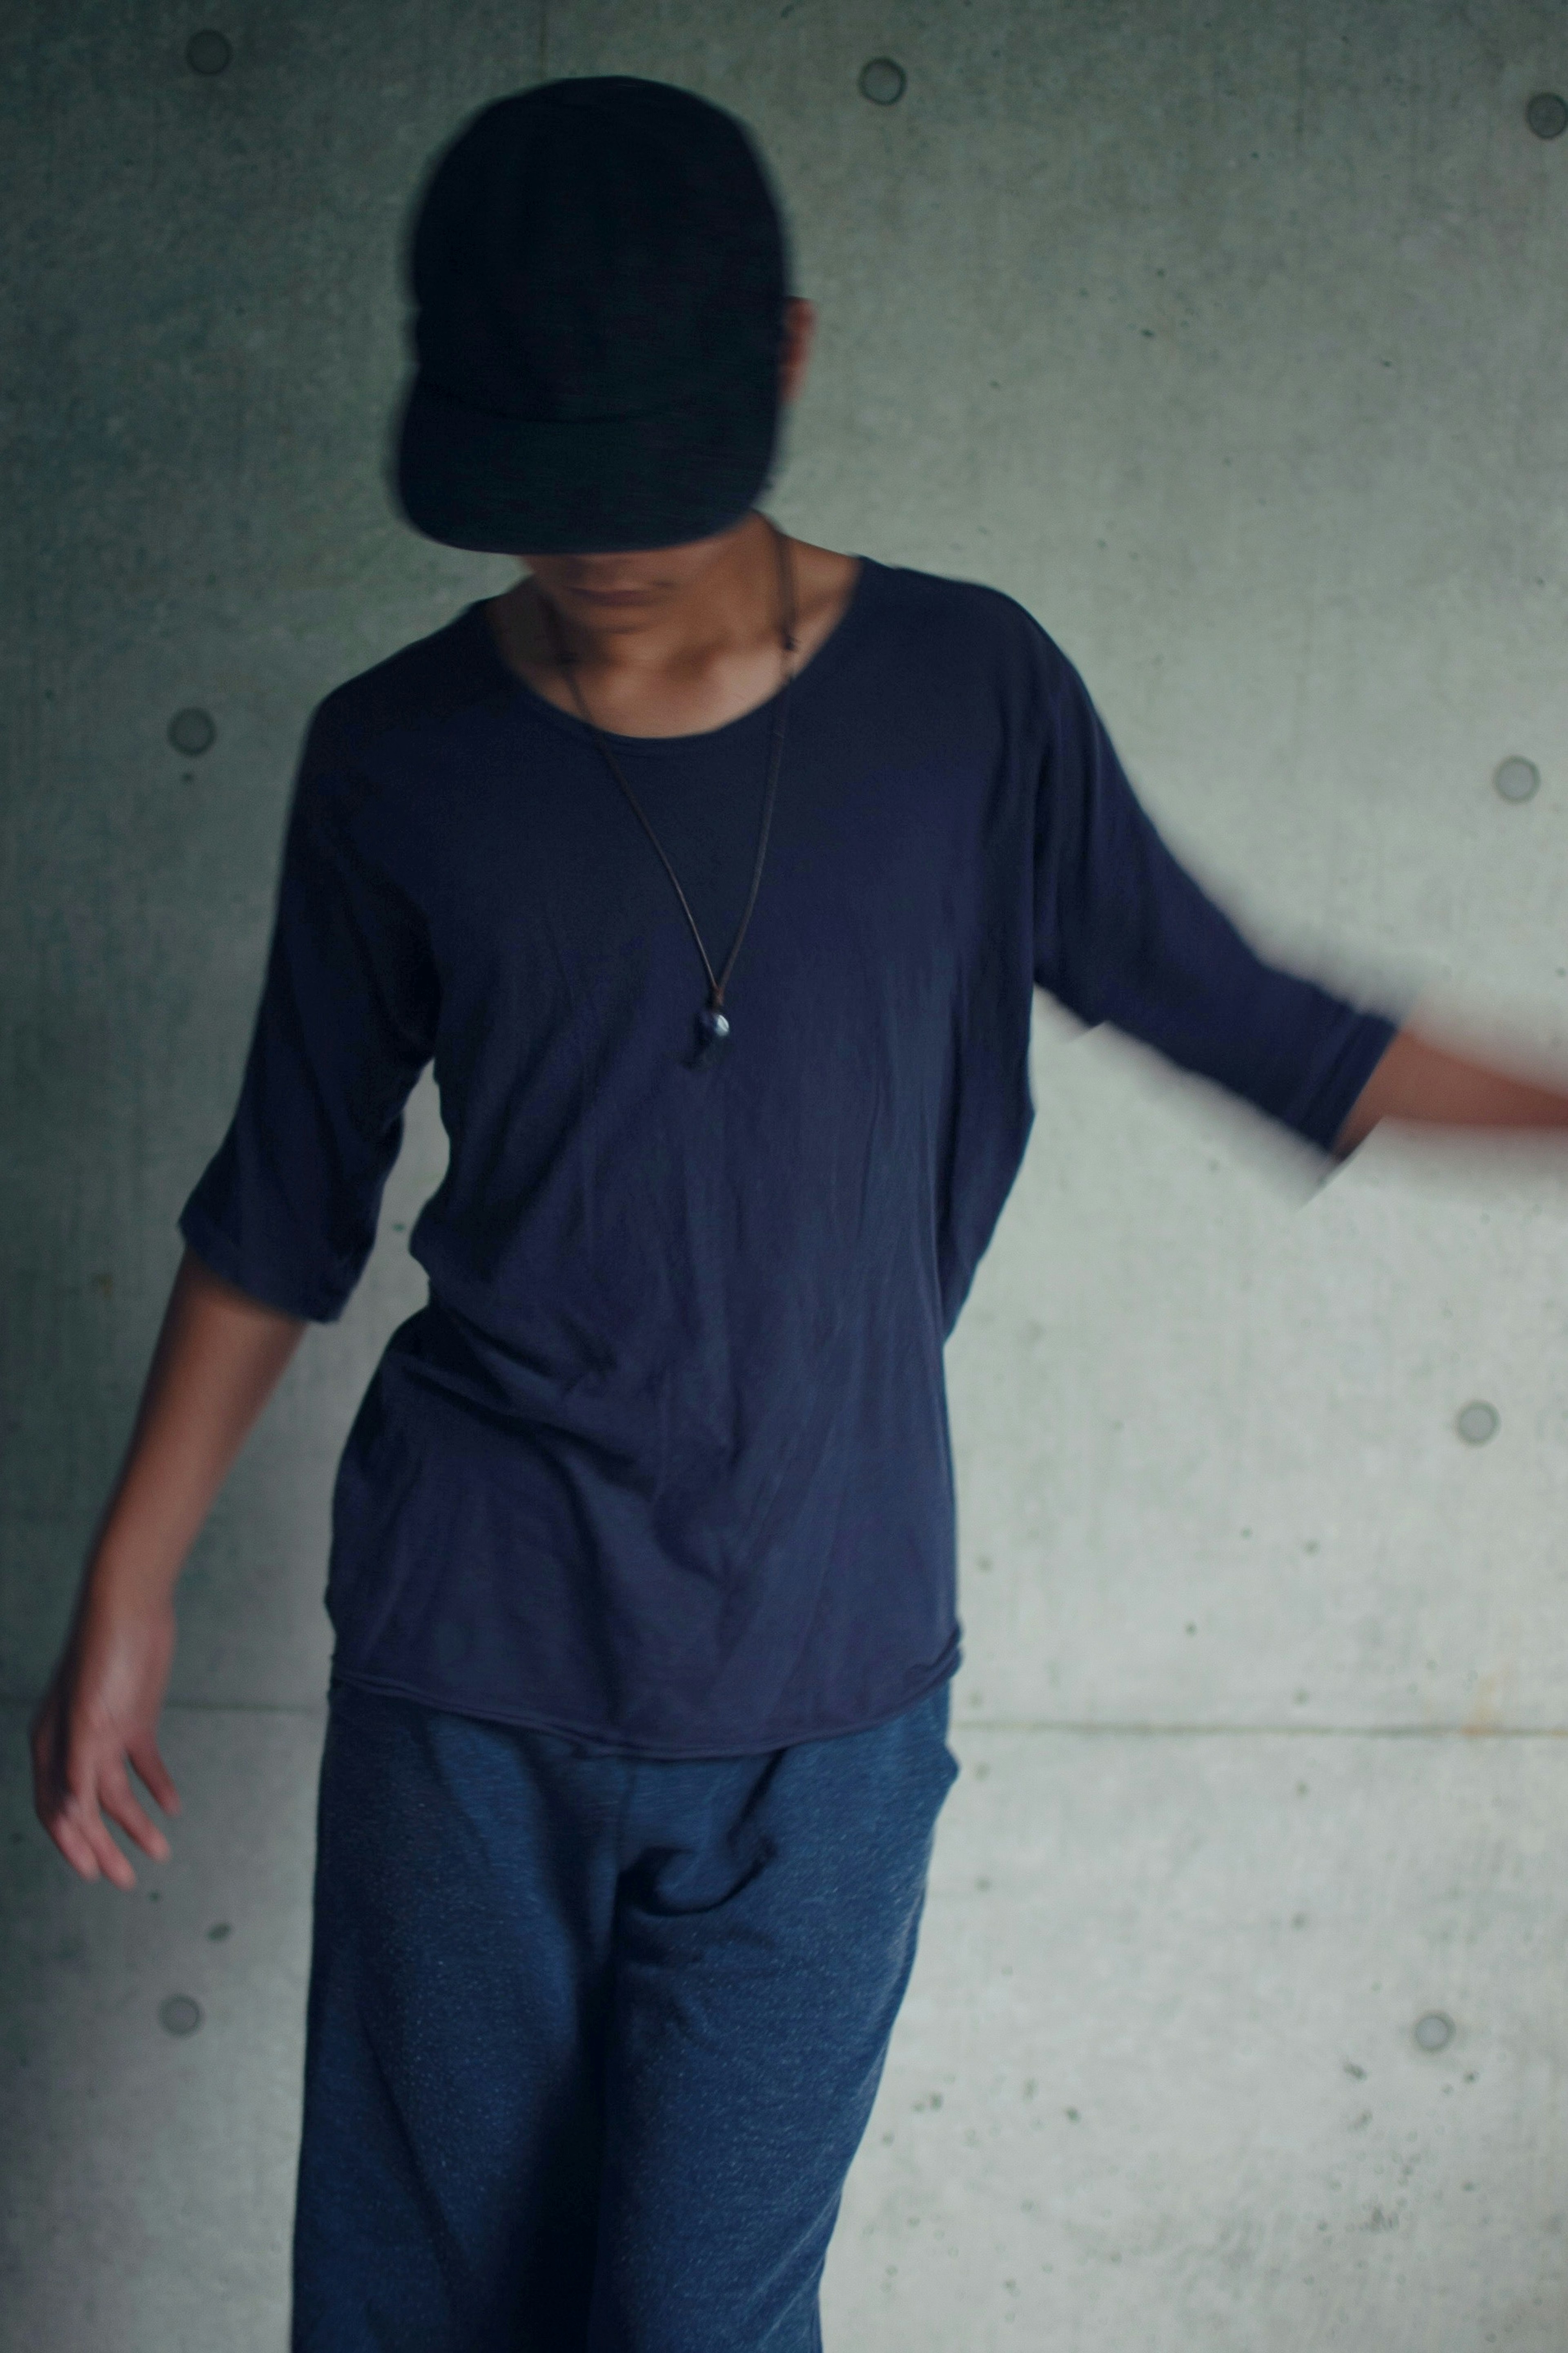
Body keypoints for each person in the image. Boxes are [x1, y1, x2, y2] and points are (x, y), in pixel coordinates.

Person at [27, 73, 1568, 2353]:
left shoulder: (971, 697)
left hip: (825, 1685)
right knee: (423, 2314)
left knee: (706, 2325)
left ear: (788, 359)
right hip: (473, 1670)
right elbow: (284, 1196)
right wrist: (130, 1576)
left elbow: (1261, 1019)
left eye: (642, 476)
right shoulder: (394, 755)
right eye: (539, 498)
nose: (598, 547)